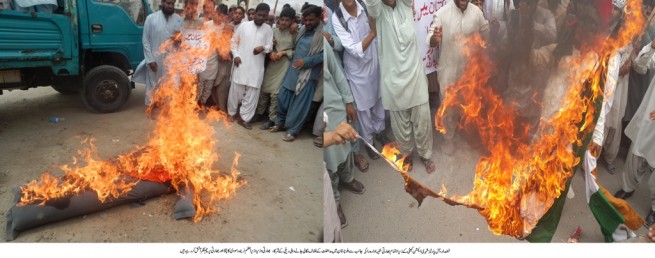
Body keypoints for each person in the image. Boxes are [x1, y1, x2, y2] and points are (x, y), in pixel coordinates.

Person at [364, 0, 435, 173]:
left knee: (423, 120)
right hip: (393, 82)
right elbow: (372, 4)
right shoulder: (378, 12)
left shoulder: (405, 5)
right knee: (400, 125)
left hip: (415, 77)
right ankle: (407, 154)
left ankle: (426, 155)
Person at [427, 0, 489, 155]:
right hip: (448, 71)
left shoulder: (477, 12)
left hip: (469, 72)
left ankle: (466, 132)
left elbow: (486, 32)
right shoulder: (441, 14)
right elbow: (430, 41)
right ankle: (449, 139)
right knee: (449, 107)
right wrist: (435, 38)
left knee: (468, 104)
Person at [332, 0, 386, 160]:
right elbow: (354, 50)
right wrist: (374, 32)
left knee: (379, 101)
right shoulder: (338, 17)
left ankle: (380, 132)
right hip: (357, 71)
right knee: (363, 110)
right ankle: (369, 142)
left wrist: (375, 33)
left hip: (374, 62)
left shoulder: (366, 6)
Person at [324, 37, 365, 229]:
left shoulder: (323, 43)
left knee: (346, 147)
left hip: (335, 107)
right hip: (319, 119)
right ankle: (336, 202)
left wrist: (348, 101)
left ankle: (348, 178)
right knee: (328, 162)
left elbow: (337, 73)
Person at [614, 38, 655, 228]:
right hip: (650, 114)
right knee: (636, 152)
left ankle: (654, 209)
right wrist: (650, 48)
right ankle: (628, 188)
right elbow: (639, 67)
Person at [272, 5, 324, 142]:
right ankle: (279, 123)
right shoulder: (302, 31)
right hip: (293, 71)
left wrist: (306, 61)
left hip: (307, 75)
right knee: (283, 98)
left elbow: (324, 55)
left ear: (319, 18)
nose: (307, 23)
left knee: (299, 106)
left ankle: (292, 131)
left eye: (311, 20)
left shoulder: (323, 34)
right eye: (305, 20)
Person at [227, 3, 274, 129]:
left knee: (252, 94)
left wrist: (263, 48)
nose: (261, 18)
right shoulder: (244, 26)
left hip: (256, 68)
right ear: (254, 13)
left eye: (264, 16)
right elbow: (234, 42)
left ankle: (245, 119)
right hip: (241, 63)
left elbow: (270, 47)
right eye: (259, 15)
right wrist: (236, 55)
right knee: (235, 91)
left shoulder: (268, 29)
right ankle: (231, 113)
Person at [135, 0, 183, 106]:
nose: (170, 6)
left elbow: (182, 40)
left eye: (172, 4)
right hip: (155, 59)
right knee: (153, 84)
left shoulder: (178, 19)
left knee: (172, 83)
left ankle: (169, 108)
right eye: (168, 3)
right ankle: (151, 107)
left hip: (172, 58)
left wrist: (179, 39)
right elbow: (145, 40)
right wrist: (150, 60)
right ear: (162, 3)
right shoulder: (151, 19)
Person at [257, 7, 297, 130]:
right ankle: (259, 114)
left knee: (275, 94)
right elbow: (267, 46)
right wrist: (270, 53)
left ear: (292, 21)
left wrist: (284, 52)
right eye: (282, 19)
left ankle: (271, 119)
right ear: (278, 20)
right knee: (264, 90)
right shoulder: (273, 31)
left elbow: (298, 51)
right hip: (271, 64)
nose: (283, 22)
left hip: (283, 66)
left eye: (287, 20)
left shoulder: (294, 34)